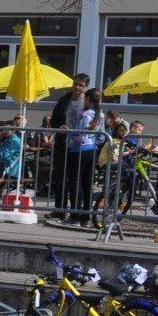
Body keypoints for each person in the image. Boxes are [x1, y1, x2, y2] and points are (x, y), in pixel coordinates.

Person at [48, 73, 89, 212]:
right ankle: (59, 210)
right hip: (62, 143)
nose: (77, 87)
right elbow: (53, 120)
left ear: (86, 87)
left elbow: (94, 122)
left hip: (79, 146)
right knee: (60, 177)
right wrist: (59, 127)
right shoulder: (64, 100)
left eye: (81, 85)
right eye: (75, 84)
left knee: (75, 179)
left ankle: (75, 211)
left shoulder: (88, 102)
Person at [66, 87, 106, 218]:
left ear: (88, 99)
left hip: (79, 150)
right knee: (87, 182)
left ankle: (75, 214)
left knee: (75, 182)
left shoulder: (86, 115)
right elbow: (102, 136)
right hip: (92, 149)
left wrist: (69, 132)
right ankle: (86, 214)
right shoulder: (100, 114)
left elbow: (79, 136)